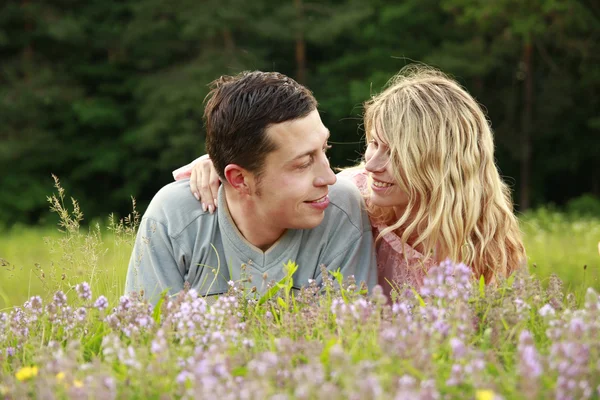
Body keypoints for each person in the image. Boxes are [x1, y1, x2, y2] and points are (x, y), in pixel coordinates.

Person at [176, 65, 527, 297]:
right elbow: (277, 176)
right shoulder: (355, 195)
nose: (371, 163)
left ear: (440, 164)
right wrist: (220, 164)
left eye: (394, 153)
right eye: (373, 143)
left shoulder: (486, 240)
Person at [126, 71, 377, 305]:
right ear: (239, 179)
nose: (329, 178)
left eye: (325, 149)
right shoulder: (174, 219)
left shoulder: (341, 209)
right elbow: (151, 340)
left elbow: (345, 341)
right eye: (303, 163)